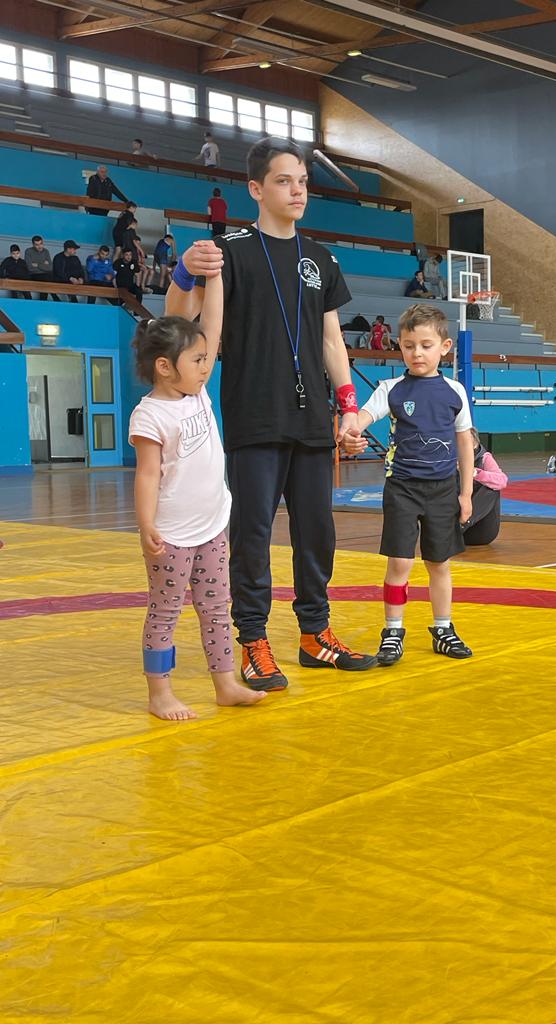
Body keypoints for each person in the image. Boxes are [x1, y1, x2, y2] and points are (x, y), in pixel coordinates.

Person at [165, 136, 377, 689]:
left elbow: (332, 340)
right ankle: (253, 641)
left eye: (302, 181)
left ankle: (315, 635)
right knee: (253, 534)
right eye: (284, 181)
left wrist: (348, 406)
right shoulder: (229, 251)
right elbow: (188, 321)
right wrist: (184, 273)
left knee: (318, 531)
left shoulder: (321, 259)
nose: (297, 191)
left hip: (311, 421)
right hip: (254, 416)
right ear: (256, 189)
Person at [128, 275, 267, 721]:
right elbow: (147, 476)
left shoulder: (198, 392)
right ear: (165, 367)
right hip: (171, 535)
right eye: (197, 360)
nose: (206, 367)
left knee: (216, 609)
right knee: (165, 612)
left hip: (212, 526)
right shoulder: (149, 415)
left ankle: (225, 684)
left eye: (206, 359)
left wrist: (216, 278)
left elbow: (213, 323)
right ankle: (159, 693)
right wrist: (147, 526)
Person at [342, 303, 474, 667]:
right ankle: (393, 630)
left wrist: (465, 493)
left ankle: (443, 629)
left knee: (439, 563)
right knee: (399, 562)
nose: (417, 353)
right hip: (402, 488)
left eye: (426, 345)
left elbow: (465, 442)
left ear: (444, 347)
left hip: (443, 489)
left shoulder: (455, 391)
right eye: (409, 345)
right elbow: (365, 415)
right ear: (399, 346)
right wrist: (352, 428)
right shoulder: (391, 389)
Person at [462, 428, 508, 545]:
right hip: (453, 526)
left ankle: (462, 524)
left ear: (475, 444)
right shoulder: (449, 458)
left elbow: (502, 481)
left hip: (480, 530)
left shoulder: (484, 458)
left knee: (491, 488)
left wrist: (475, 473)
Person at [25, 235, 57, 301]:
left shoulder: (46, 251)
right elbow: (30, 268)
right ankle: (54, 297)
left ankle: (44, 300)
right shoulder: (28, 251)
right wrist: (44, 265)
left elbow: (50, 268)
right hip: (34, 275)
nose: (40, 246)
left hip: (46, 275)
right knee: (47, 278)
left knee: (48, 276)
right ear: (33, 245)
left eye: (41, 244)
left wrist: (37, 265)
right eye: (37, 245)